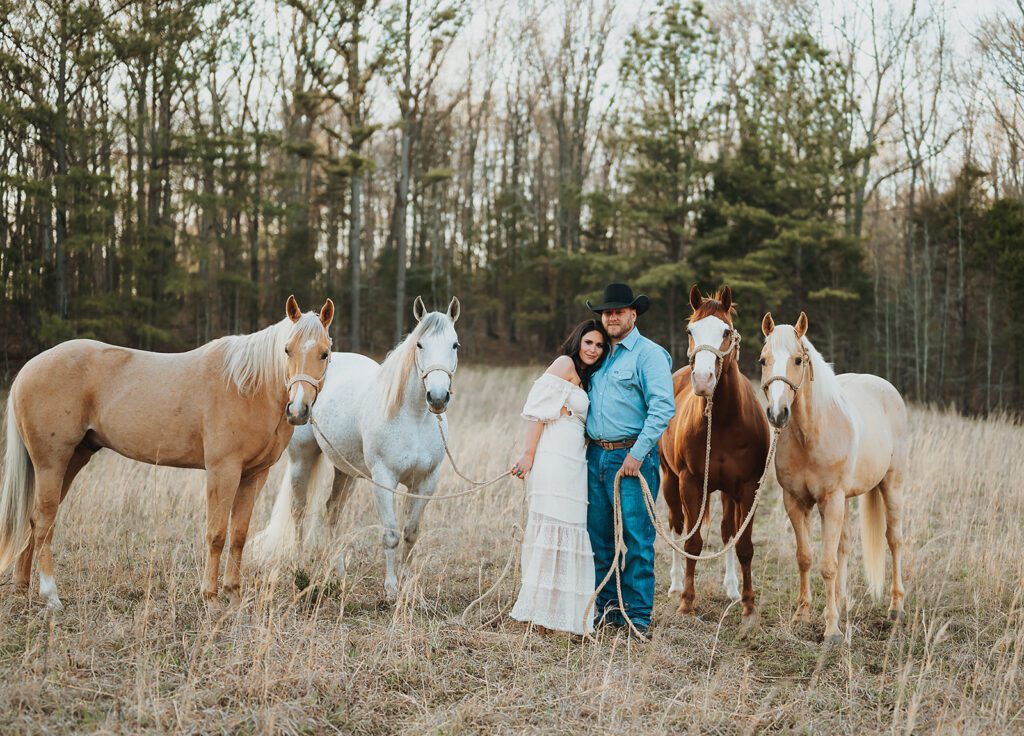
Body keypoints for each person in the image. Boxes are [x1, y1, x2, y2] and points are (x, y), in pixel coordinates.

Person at [509, 320, 611, 636]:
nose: (593, 349)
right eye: (589, 342)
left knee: (571, 529)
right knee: (552, 528)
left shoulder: (586, 377)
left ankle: (562, 614)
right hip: (553, 457)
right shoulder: (565, 363)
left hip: (575, 462)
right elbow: (537, 409)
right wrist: (528, 454)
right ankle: (541, 615)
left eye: (599, 345)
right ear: (578, 341)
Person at [585, 283, 675, 636]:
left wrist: (637, 454)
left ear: (633, 315)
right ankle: (607, 613)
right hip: (595, 456)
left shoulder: (648, 354)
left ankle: (637, 619)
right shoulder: (599, 353)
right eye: (607, 312)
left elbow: (663, 406)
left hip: (631, 458)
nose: (611, 317)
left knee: (637, 539)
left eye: (618, 311)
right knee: (600, 538)